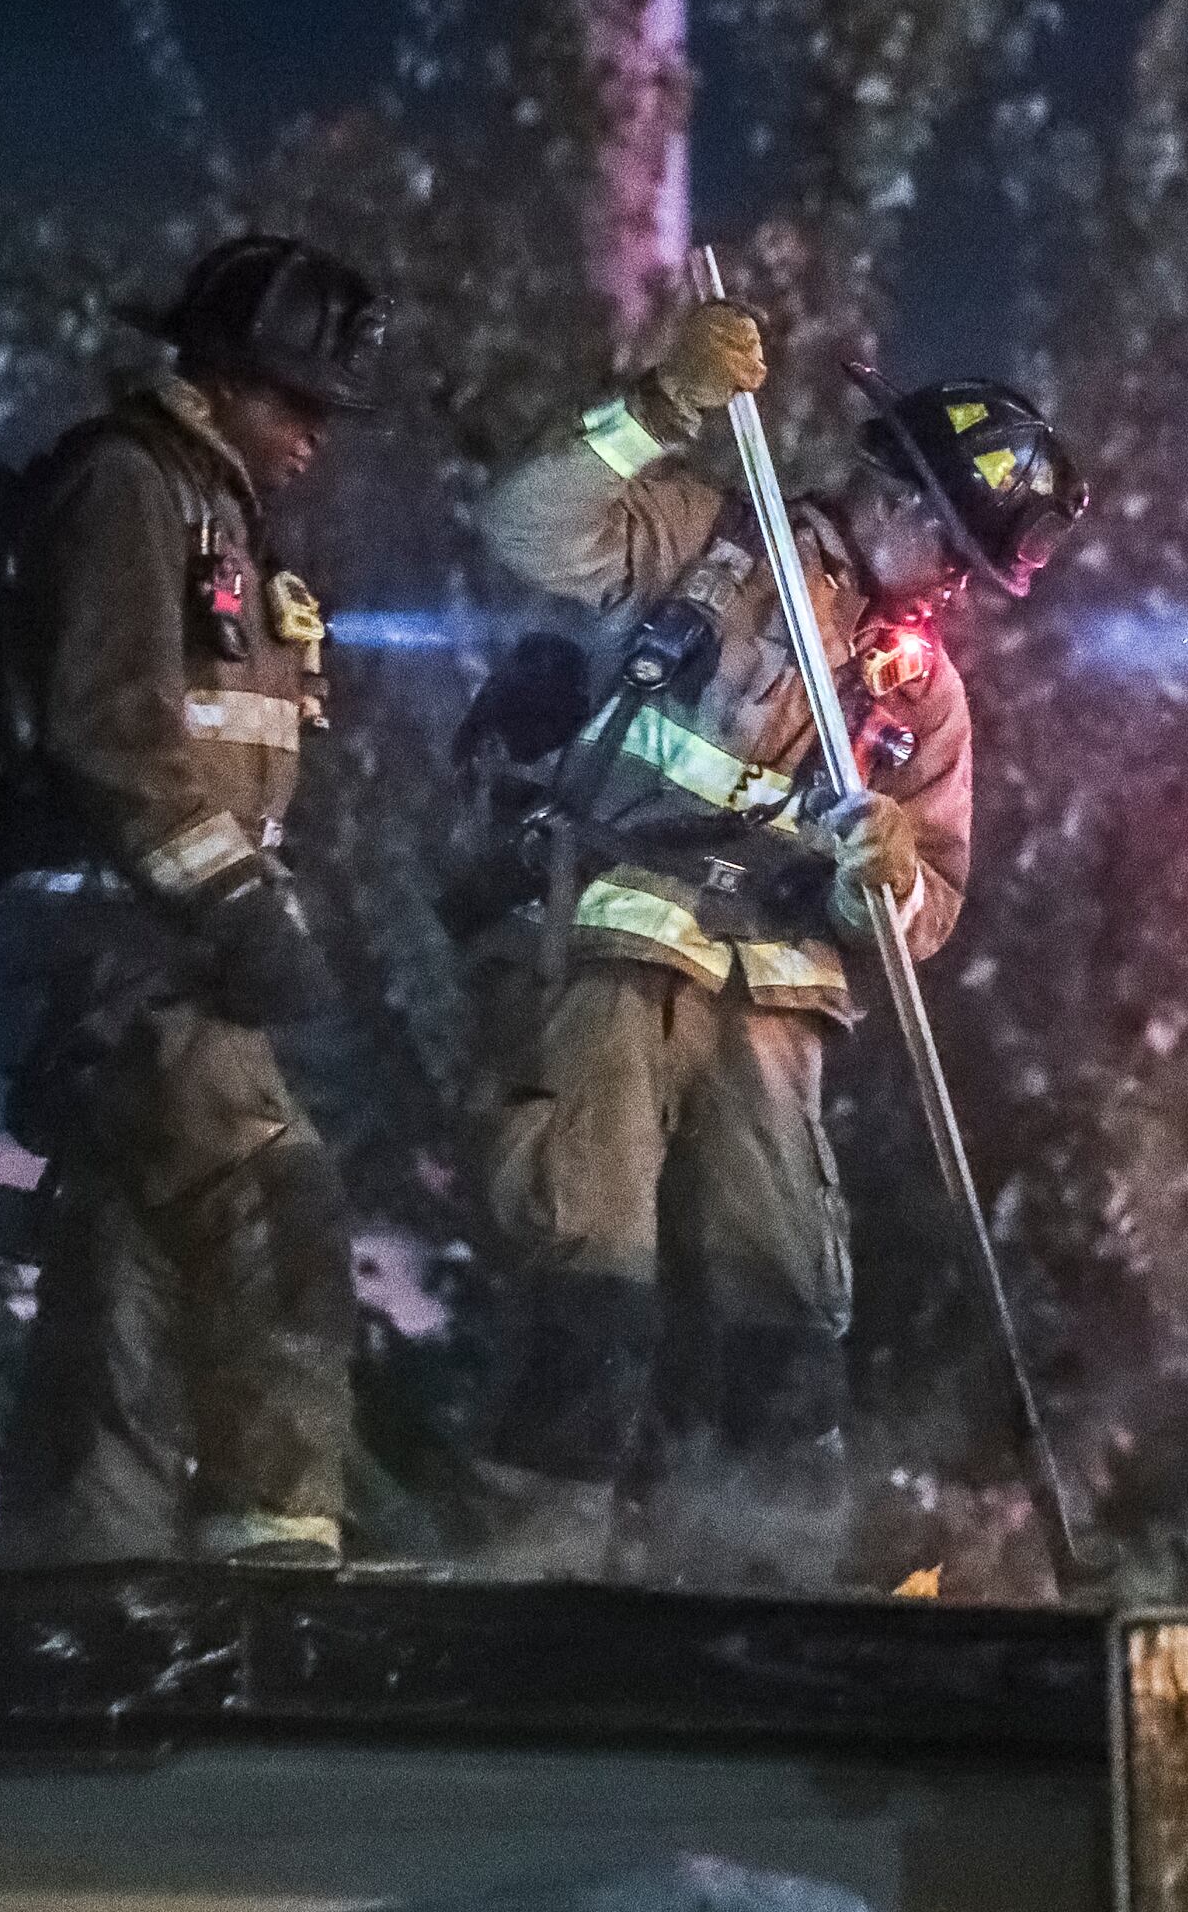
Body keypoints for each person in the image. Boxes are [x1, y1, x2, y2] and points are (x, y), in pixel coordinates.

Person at [457, 297, 1084, 1576]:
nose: (956, 585)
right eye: (951, 548)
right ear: (894, 490)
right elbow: (525, 528)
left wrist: (890, 879)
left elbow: (930, 915)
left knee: (789, 1305)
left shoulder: (926, 694)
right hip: (615, 953)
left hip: (779, 1004)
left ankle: (780, 1576)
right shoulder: (708, 540)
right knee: (594, 1275)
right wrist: (658, 406)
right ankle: (531, 1574)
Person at [0, 233, 390, 1569]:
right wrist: (236, 903)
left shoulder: (218, 511)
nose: (316, 437)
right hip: (128, 953)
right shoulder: (128, 487)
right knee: (277, 1201)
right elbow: (107, 729)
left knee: (126, 1267)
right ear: (217, 378)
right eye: (297, 403)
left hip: (156, 955)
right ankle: (272, 1559)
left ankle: (79, 1569)